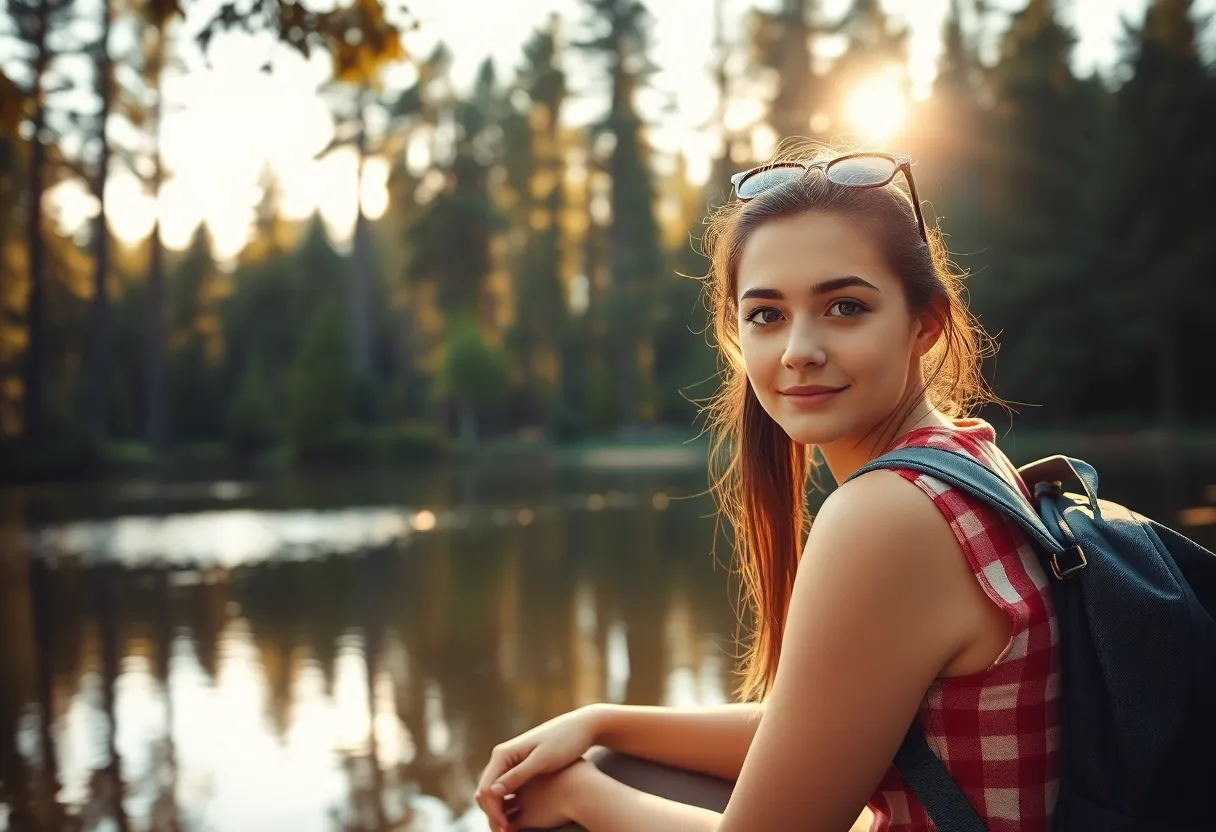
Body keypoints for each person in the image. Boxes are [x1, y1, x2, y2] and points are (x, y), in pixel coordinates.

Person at [475, 146, 1060, 832]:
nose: (798, 350)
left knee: (578, 794)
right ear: (735, 335)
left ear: (924, 325)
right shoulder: (968, 456)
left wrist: (575, 799)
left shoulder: (887, 515)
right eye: (766, 314)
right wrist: (602, 721)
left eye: (845, 306)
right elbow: (823, 729)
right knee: (604, 757)